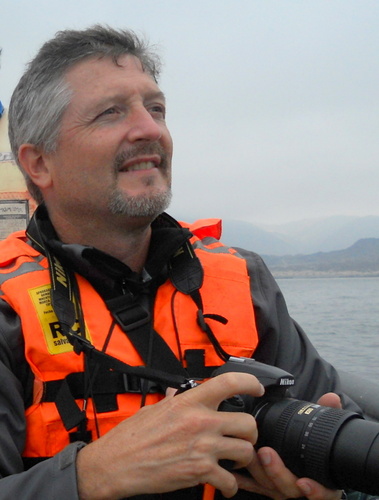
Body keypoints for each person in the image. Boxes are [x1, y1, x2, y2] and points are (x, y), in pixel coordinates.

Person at [0, 25, 360, 500]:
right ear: (39, 164)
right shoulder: (8, 309)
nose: (150, 128)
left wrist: (327, 484)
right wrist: (90, 475)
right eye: (111, 113)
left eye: (156, 109)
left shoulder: (242, 279)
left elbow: (329, 415)